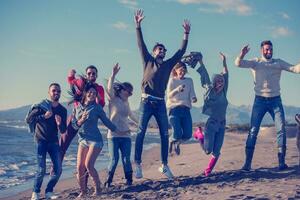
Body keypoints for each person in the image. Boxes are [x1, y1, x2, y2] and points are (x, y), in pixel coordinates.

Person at [133, 9, 190, 179]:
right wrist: (138, 26)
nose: (162, 52)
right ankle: (137, 164)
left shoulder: (168, 65)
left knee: (165, 134)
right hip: (146, 101)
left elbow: (180, 52)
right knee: (141, 132)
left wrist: (186, 34)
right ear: (154, 51)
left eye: (164, 50)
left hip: (160, 103)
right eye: (159, 49)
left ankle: (164, 166)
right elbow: (140, 43)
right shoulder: (147, 61)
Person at [235, 40, 300, 171]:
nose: (269, 51)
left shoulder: (278, 63)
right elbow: (238, 64)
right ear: (261, 50)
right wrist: (241, 55)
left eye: (270, 49)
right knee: (253, 131)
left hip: (276, 101)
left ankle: (281, 162)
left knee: (281, 130)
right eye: (266, 49)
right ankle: (247, 164)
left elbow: (295, 69)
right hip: (259, 101)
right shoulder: (256, 62)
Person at [71, 84, 118, 198]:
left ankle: (98, 187)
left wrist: (118, 130)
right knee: (79, 167)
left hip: (95, 141)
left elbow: (106, 121)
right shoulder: (77, 108)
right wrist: (81, 120)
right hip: (83, 140)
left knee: (89, 165)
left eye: (94, 93)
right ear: (85, 93)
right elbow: (74, 126)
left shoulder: (97, 108)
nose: (92, 94)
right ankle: (83, 191)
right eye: (90, 92)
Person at [26, 83, 67, 200]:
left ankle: (49, 191)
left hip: (53, 142)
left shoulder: (62, 110)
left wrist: (59, 124)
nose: (56, 93)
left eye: (58, 91)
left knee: (58, 169)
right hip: (41, 141)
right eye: (54, 91)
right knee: (41, 169)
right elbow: (29, 120)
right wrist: (44, 116)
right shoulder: (41, 107)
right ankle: (36, 192)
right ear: (49, 92)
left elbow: (63, 131)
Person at [193, 52, 229, 176]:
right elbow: (205, 75)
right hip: (211, 124)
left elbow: (226, 74)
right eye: (218, 81)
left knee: (217, 151)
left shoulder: (224, 91)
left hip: (222, 124)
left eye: (222, 81)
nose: (221, 82)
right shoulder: (210, 90)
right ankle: (199, 135)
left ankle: (208, 171)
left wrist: (224, 61)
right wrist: (201, 62)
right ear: (214, 82)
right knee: (208, 150)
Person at [60, 65, 105, 161]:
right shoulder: (81, 83)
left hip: (89, 118)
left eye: (93, 73)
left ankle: (85, 173)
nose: (91, 75)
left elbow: (101, 105)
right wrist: (71, 75)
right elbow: (71, 81)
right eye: (89, 73)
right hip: (76, 116)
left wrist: (96, 94)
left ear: (96, 75)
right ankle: (56, 165)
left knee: (88, 144)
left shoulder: (99, 88)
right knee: (64, 140)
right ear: (86, 75)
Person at [104, 63, 139, 187]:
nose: (129, 94)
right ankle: (108, 181)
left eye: (130, 93)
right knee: (114, 159)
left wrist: (140, 124)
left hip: (126, 135)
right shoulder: (113, 99)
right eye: (128, 91)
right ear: (122, 90)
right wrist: (113, 74)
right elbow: (108, 89)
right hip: (113, 135)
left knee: (126, 159)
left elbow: (131, 115)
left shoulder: (127, 103)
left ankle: (129, 181)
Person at [166, 61, 197, 155]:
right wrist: (177, 89)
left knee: (188, 134)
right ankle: (171, 140)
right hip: (174, 109)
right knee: (177, 133)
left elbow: (192, 92)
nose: (182, 72)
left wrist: (194, 98)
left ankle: (177, 143)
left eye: (184, 70)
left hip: (186, 109)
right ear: (175, 70)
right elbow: (169, 96)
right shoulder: (172, 80)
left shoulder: (189, 81)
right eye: (180, 70)